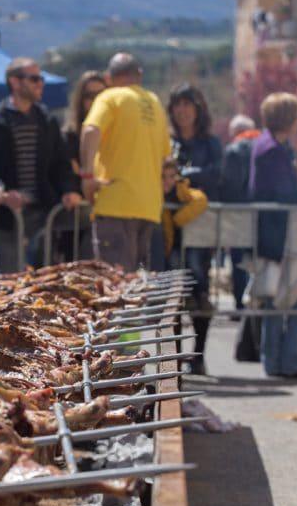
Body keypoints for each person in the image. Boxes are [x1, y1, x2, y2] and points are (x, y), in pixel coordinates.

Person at [0, 57, 80, 271]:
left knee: (45, 279)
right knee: (11, 279)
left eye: (41, 79)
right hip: (6, 215)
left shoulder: (47, 121)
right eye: (34, 79)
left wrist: (69, 189)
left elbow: (61, 162)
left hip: (43, 213)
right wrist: (0, 193)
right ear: (15, 82)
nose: (40, 84)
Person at [79, 53, 170, 270]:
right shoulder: (155, 102)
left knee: (115, 285)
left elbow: (91, 130)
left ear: (109, 78)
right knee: (137, 287)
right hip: (148, 207)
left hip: (115, 203)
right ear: (139, 75)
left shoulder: (110, 97)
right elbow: (166, 156)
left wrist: (87, 176)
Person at [249, 93, 297, 378]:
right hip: (280, 234)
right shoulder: (273, 151)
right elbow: (285, 193)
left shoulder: (267, 145)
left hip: (276, 232)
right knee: (292, 295)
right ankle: (286, 360)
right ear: (287, 119)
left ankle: (278, 360)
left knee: (279, 297)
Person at [165, 83, 222, 374]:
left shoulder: (210, 144)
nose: (183, 110)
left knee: (200, 291)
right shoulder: (167, 142)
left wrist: (186, 178)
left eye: (188, 103)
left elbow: (216, 177)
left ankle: (198, 356)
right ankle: (172, 356)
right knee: (174, 293)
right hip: (172, 231)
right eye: (178, 104)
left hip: (200, 229)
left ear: (197, 108)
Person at [55, 70, 106, 262]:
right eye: (89, 96)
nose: (94, 101)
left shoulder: (115, 136)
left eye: (100, 95)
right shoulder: (68, 136)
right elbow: (66, 170)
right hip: (76, 221)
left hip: (108, 217)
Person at [219, 114, 261, 311]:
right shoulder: (264, 147)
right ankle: (257, 302)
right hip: (262, 216)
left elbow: (229, 186)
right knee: (258, 262)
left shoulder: (233, 151)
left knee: (238, 264)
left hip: (237, 215)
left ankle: (239, 304)